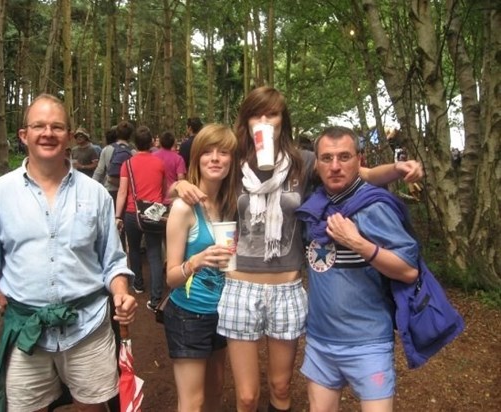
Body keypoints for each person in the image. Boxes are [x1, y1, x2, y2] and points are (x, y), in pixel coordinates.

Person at [171, 86, 423, 412]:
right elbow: (203, 179)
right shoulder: (236, 165)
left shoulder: (302, 163)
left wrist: (399, 170)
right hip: (240, 287)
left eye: (272, 114)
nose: (264, 121)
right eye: (256, 114)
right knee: (246, 397)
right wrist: (180, 184)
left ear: (282, 120)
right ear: (246, 121)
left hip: (287, 289)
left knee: (280, 386)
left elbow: (359, 174)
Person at [0, 94, 137, 412]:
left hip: (88, 326)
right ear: (24, 135)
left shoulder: (95, 195)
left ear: (68, 136)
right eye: (39, 126)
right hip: (26, 331)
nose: (48, 133)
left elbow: (112, 260)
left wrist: (121, 290)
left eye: (56, 126)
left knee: (91, 407)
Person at [296, 126, 419, 411]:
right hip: (320, 341)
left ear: (360, 160)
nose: (335, 166)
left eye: (344, 157)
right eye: (327, 158)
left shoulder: (374, 207)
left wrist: (359, 243)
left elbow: (409, 270)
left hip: (368, 343)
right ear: (317, 163)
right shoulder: (315, 205)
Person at [164, 123, 237, 412]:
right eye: (207, 152)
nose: (216, 158)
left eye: (223, 152)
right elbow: (170, 277)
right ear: (197, 159)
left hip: (223, 312)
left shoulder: (230, 204)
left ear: (233, 160)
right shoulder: (184, 208)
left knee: (216, 392)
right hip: (189, 315)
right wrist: (196, 261)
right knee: (192, 402)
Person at [115, 125, 166, 310]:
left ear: (134, 143)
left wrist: (117, 216)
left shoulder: (127, 164)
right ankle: (156, 297)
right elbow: (163, 189)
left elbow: (122, 191)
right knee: (154, 253)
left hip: (131, 212)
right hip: (155, 212)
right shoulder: (160, 163)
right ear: (152, 142)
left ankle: (138, 283)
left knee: (134, 249)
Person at [153, 130, 187, 206]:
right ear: (172, 143)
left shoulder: (153, 156)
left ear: (161, 142)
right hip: (172, 198)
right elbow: (181, 179)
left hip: (155, 197)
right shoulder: (178, 159)